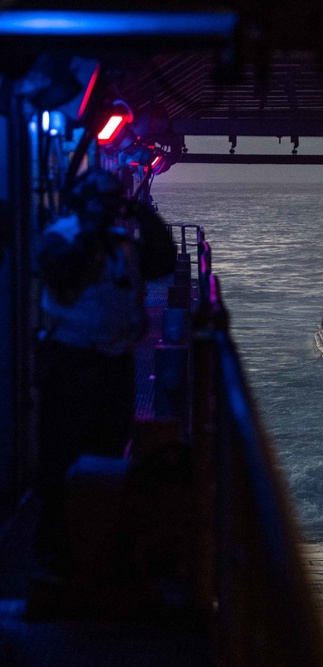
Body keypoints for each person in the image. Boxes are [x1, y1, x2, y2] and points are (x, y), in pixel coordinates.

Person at [33, 168, 176, 566]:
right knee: (63, 454)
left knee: (110, 449)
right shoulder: (59, 235)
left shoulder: (121, 243)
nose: (107, 210)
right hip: (71, 359)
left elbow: (162, 261)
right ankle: (53, 545)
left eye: (113, 202)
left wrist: (142, 214)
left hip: (116, 362)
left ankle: (98, 539)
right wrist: (92, 232)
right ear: (81, 201)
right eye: (100, 201)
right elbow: (62, 274)